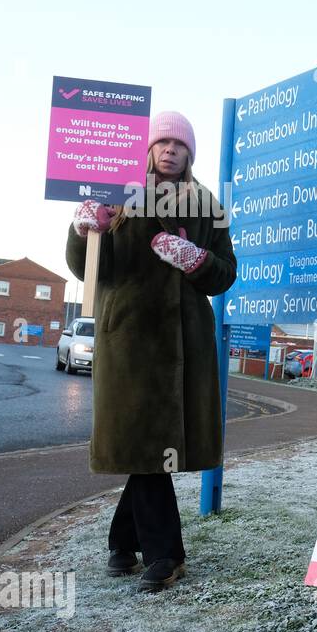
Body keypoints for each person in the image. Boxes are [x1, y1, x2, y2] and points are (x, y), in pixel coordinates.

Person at [65, 111, 237, 592]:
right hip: (130, 341)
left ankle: (123, 542)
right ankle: (167, 555)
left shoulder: (207, 205)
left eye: (179, 145)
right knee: (144, 445)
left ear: (189, 155)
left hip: (185, 344)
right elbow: (90, 271)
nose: (170, 150)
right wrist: (84, 231)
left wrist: (197, 261)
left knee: (149, 448)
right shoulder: (116, 198)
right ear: (147, 150)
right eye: (162, 142)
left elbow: (226, 271)